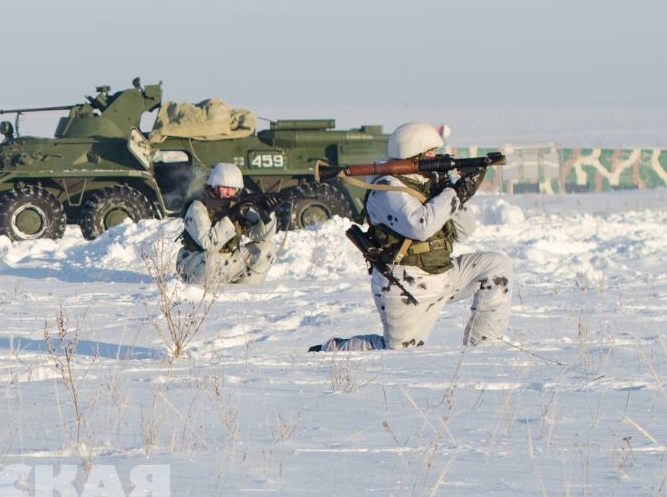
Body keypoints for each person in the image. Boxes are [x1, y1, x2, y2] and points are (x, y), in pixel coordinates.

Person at [311, 122, 510, 352]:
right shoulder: (386, 188)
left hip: (441, 275)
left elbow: (466, 230)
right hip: (406, 287)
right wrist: (454, 194)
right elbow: (420, 225)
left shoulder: (430, 184)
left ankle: (484, 349)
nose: (436, 157)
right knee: (396, 353)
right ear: (414, 154)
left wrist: (454, 190)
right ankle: (332, 351)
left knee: (498, 266)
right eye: (430, 153)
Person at [177, 162, 277, 287]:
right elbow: (208, 245)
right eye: (226, 187)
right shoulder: (198, 205)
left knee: (267, 249)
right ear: (214, 185)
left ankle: (245, 293)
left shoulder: (235, 204)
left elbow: (262, 236)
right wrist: (231, 218)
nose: (230, 192)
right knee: (211, 259)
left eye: (234, 188)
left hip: (227, 260)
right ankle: (203, 296)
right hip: (194, 262)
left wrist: (268, 213)